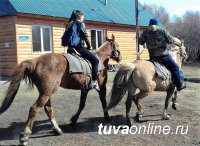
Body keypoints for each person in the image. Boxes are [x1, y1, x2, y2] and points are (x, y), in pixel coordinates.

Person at [138, 18, 186, 91]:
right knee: (175, 67)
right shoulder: (163, 31)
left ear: (149, 24)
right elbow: (171, 40)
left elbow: (140, 42)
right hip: (163, 57)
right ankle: (180, 85)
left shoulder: (146, 32)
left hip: (152, 57)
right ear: (157, 24)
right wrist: (177, 43)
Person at [67, 10, 100, 91]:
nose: (83, 18)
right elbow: (85, 36)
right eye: (83, 16)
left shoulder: (69, 24)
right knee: (95, 61)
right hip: (79, 48)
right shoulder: (80, 24)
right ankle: (94, 82)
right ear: (80, 16)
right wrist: (90, 46)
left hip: (70, 48)